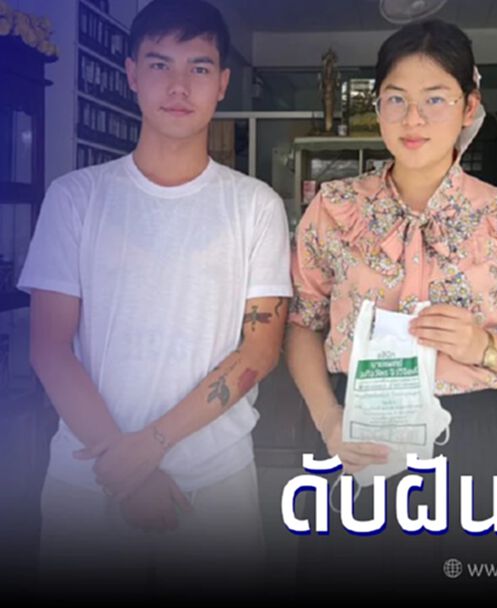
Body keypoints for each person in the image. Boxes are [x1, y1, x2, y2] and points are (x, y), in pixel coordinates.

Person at [18, 0, 291, 596]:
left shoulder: (255, 207)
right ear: (131, 74)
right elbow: (49, 347)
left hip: (215, 481)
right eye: (160, 64)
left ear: (222, 83)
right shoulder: (76, 198)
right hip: (89, 481)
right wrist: (129, 472)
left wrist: (151, 448)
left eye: (199, 68)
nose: (178, 85)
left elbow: (260, 350)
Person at [286, 19, 497, 597]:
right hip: (355, 433)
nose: (413, 119)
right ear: (377, 106)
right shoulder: (334, 207)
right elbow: (303, 325)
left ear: (468, 107)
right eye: (396, 99)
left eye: (435, 99)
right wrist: (328, 421)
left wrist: (484, 346)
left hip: (472, 441)